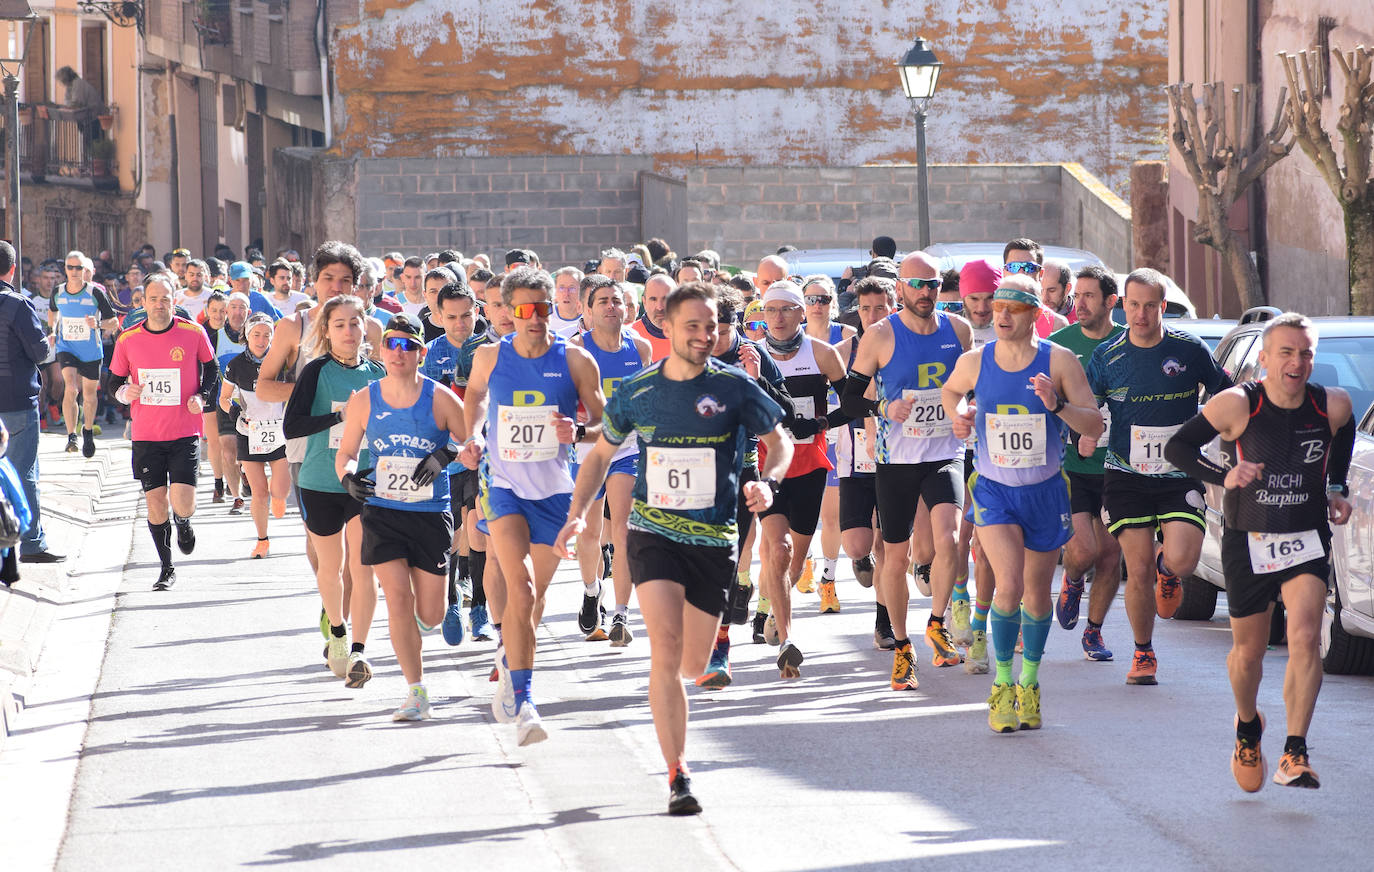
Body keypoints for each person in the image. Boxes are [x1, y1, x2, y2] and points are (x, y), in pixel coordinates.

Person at [555, 281, 790, 815]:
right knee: (663, 646)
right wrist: (575, 517)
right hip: (652, 531)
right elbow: (597, 456)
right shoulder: (638, 391)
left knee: (691, 663)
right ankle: (678, 773)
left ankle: (686, 707)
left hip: (713, 539)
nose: (705, 336)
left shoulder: (734, 387)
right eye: (694, 326)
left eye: (711, 327)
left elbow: (781, 441)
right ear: (666, 326)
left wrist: (768, 481)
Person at [1165, 312, 1355, 792]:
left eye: (1306, 353)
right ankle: (1248, 725)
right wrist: (1223, 475)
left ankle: (1295, 750)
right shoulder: (1236, 405)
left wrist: (1336, 487)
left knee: (1306, 635)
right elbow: (1178, 448)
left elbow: (1346, 434)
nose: (1297, 362)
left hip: (1305, 537)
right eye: (1286, 353)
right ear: (1265, 358)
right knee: (1248, 653)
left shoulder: (1331, 405)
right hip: (1248, 540)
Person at [940, 274, 1102, 732]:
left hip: (1045, 491)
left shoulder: (1060, 361)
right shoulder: (977, 360)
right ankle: (1003, 684)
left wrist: (1056, 407)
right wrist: (961, 415)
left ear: (1036, 313)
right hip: (993, 489)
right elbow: (952, 392)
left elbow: (1093, 425)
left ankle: (1030, 681)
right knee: (1007, 585)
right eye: (997, 308)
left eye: (1013, 308)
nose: (1003, 315)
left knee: (1035, 594)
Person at [459, 266, 606, 745]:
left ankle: (510, 656)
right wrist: (475, 433)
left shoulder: (577, 360)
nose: (534, 318)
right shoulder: (489, 356)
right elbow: (476, 396)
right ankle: (525, 703)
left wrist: (577, 431)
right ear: (506, 312)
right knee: (518, 592)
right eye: (522, 310)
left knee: (535, 600)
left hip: (556, 494)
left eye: (541, 308)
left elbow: (605, 425)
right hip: (503, 487)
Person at [1085, 267, 1231, 685]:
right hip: (1126, 474)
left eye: (1150, 306)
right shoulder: (1107, 357)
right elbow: (1089, 408)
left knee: (1182, 559)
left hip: (1179, 470)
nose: (1142, 314)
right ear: (1123, 306)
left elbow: (1224, 392)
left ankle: (1170, 574)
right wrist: (1082, 432)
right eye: (1134, 305)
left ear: (1163, 307)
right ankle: (1143, 652)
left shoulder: (1189, 349)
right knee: (1139, 563)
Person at [842, 252, 970, 690]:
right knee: (895, 558)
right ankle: (902, 647)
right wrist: (883, 407)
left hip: (944, 451)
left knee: (948, 539)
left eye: (932, 284)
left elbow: (971, 387)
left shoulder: (959, 330)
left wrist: (966, 411)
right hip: (895, 459)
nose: (926, 292)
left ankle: (936, 622)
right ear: (900, 288)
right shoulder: (879, 336)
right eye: (917, 284)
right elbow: (849, 398)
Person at [335, 314, 467, 721]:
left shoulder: (441, 398)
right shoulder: (365, 399)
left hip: (429, 514)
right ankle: (415, 691)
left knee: (430, 615)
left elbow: (473, 440)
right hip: (383, 510)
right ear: (381, 350)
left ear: (420, 353)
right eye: (391, 344)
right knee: (396, 598)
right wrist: (348, 479)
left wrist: (446, 453)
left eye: (407, 346)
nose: (398, 352)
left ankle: (443, 599)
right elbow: (347, 452)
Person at [283, 293, 385, 686]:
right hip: (320, 482)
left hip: (365, 483)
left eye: (354, 323)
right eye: (339, 324)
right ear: (326, 331)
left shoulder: (377, 373)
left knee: (363, 569)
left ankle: (359, 651)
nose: (348, 331)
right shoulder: (316, 371)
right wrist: (341, 415)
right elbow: (292, 427)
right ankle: (338, 633)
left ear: (365, 328)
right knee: (332, 568)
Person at [756, 280, 850, 678]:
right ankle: (787, 638)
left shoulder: (823, 354)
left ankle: (777, 604)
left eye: (786, 309)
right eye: (770, 310)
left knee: (793, 561)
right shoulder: (754, 357)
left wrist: (821, 422)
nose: (778, 318)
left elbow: (855, 403)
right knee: (775, 550)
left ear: (801, 313)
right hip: (770, 466)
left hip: (810, 464)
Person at [107, 274, 218, 590]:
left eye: (165, 298)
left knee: (182, 502)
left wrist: (202, 396)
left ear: (174, 300)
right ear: (143, 301)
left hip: (184, 431)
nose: (159, 305)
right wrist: (123, 393)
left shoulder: (193, 333)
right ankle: (166, 567)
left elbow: (212, 370)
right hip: (146, 435)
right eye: (153, 299)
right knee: (155, 503)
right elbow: (113, 381)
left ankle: (183, 522)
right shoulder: (128, 339)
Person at [569, 275, 653, 643]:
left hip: (628, 449)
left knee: (624, 528)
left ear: (627, 308)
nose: (610, 307)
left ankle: (621, 613)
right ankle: (592, 591)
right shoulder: (575, 348)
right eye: (602, 301)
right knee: (590, 532)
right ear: (587, 310)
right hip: (588, 448)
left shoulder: (642, 349)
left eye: (616, 301)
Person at [1048, 267, 1124, 661]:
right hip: (1073, 466)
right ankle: (1073, 578)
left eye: (1089, 296)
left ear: (1111, 301)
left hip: (1118, 467)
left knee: (1111, 554)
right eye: (1076, 296)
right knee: (1084, 550)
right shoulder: (1058, 345)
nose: (1079, 303)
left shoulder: (1128, 343)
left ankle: (1093, 632)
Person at [834, 277, 895, 644]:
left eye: (881, 307)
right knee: (859, 545)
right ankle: (861, 558)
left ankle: (883, 621)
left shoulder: (902, 345)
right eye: (866, 308)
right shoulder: (843, 351)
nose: (872, 315)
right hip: (854, 456)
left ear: (893, 306)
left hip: (894, 457)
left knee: (888, 544)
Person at [420, 280, 481, 643]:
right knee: (454, 534)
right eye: (453, 317)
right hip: (447, 459)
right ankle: (454, 596)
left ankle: (480, 606)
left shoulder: (490, 348)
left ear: (478, 311)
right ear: (438, 317)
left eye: (467, 315)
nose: (461, 324)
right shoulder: (428, 354)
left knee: (477, 527)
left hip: (484, 456)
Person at [0, 241, 64, 563]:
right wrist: (48, 341)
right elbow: (40, 353)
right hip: (15, 403)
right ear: (12, 270)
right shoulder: (19, 305)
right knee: (23, 473)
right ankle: (32, 544)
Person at [801, 274, 857, 612]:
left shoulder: (847, 336)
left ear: (832, 303)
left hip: (836, 432)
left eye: (823, 299)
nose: (817, 305)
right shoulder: (790, 339)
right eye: (811, 299)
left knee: (832, 515)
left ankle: (829, 580)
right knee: (804, 510)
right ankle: (806, 558)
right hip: (803, 433)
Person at [220, 314, 290, 557]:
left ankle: (278, 495)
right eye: (256, 334)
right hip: (249, 432)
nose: (261, 340)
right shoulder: (236, 365)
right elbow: (224, 398)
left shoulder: (282, 361)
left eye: (267, 335)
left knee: (280, 490)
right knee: (259, 492)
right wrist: (236, 412)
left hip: (279, 432)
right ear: (247, 336)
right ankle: (262, 541)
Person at [49, 251, 118, 457]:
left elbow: (113, 321)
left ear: (85, 270)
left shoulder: (95, 293)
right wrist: (53, 331)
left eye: (79, 268)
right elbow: (53, 311)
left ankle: (87, 430)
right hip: (66, 347)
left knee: (89, 395)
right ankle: (71, 435)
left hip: (90, 350)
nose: (75, 271)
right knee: (71, 387)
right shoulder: (58, 291)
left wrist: (97, 324)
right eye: (70, 267)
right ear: (65, 270)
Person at [629, 273, 675, 360]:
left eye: (665, 299)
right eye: (653, 299)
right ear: (644, 302)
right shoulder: (629, 337)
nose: (659, 307)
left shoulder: (691, 336)